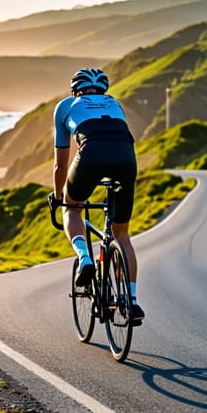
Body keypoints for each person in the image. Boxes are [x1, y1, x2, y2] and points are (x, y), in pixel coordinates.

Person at [51, 68, 144, 323]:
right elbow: (118, 139)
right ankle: (131, 302)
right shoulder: (114, 104)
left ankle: (84, 258)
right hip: (126, 160)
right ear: (103, 90)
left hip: (90, 156)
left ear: (75, 90)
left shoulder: (66, 106)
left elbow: (61, 164)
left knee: (72, 208)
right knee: (122, 234)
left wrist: (60, 197)